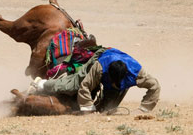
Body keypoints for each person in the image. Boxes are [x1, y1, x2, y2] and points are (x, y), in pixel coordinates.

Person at [30, 47, 161, 113]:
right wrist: (88, 109)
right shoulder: (99, 67)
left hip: (119, 63)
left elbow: (155, 86)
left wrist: (144, 109)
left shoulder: (137, 73)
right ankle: (41, 84)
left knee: (108, 110)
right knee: (72, 86)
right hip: (103, 56)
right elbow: (85, 86)